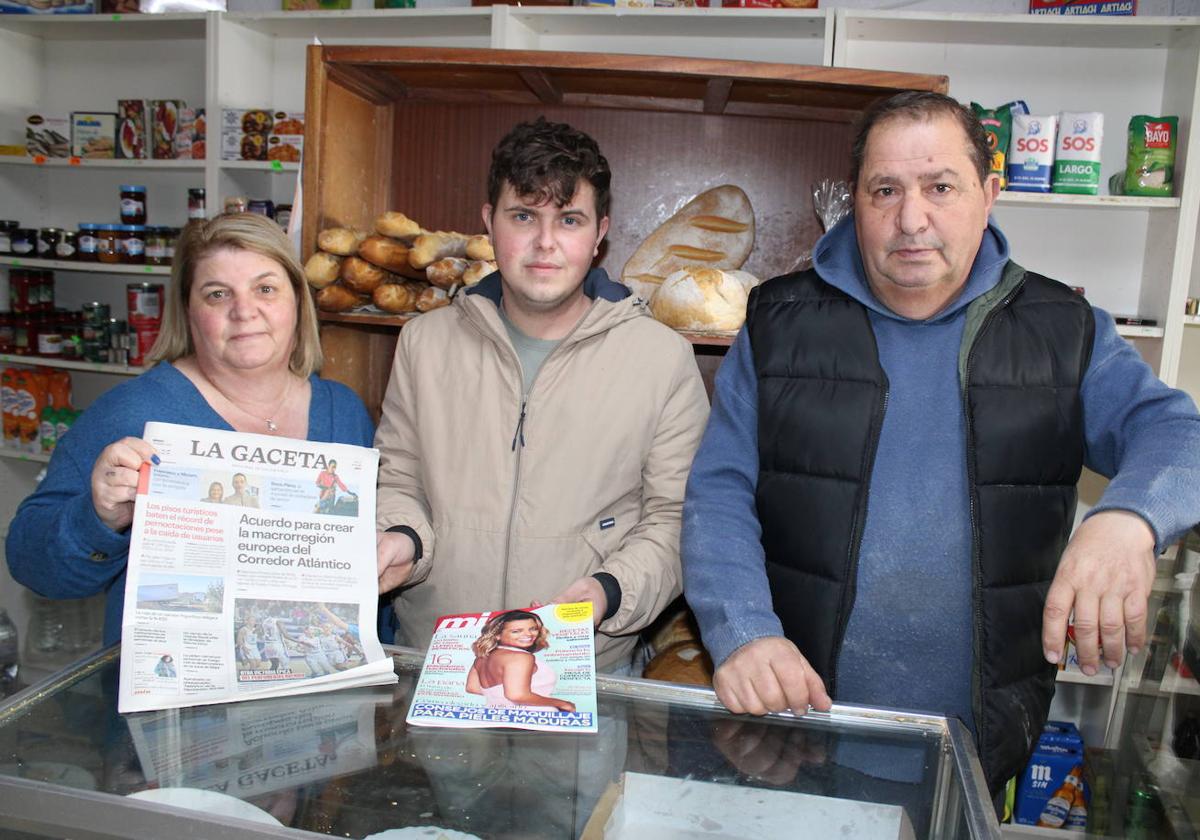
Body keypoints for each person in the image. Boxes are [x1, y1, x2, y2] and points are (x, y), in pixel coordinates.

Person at [681, 91, 1200, 796]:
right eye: (885, 190)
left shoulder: (1065, 331)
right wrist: (742, 632)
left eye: (940, 188)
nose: (910, 219)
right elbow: (719, 492)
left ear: (989, 195)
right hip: (795, 731)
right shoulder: (779, 322)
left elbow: (1178, 432)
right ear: (855, 201)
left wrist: (1128, 519)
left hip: (980, 748)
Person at [374, 117, 710, 674]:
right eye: (523, 215)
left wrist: (607, 592)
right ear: (489, 223)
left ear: (600, 233)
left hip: (585, 665)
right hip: (439, 658)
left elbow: (675, 519)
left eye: (569, 219)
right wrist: (403, 538)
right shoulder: (424, 344)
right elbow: (400, 479)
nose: (545, 242)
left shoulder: (662, 359)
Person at [6, 213, 375, 647]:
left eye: (265, 288)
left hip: (317, 689)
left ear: (297, 301)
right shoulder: (135, 412)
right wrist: (99, 516)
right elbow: (29, 562)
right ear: (188, 310)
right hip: (178, 699)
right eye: (217, 294)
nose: (244, 311)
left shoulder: (343, 410)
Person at [466, 610, 574, 711]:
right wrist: (562, 703)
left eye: (533, 629)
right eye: (516, 631)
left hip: (495, 716)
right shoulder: (521, 657)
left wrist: (502, 700)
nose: (528, 634)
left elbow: (472, 688)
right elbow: (517, 695)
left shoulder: (482, 657)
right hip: (533, 719)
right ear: (497, 635)